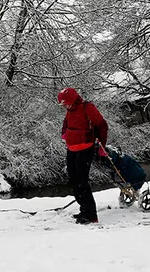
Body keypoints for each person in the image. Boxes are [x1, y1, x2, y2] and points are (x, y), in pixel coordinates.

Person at [57, 87, 108, 224]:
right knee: (74, 179)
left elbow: (102, 125)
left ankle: (91, 215)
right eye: (62, 104)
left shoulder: (87, 107)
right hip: (72, 148)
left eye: (65, 103)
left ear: (72, 100)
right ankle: (83, 209)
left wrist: (102, 145)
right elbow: (66, 123)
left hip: (86, 148)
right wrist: (64, 133)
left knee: (82, 181)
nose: (64, 106)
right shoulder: (70, 110)